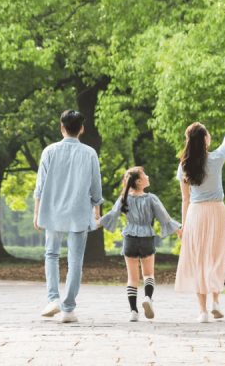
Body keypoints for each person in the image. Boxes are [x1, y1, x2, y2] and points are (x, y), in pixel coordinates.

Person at [174, 96, 225, 323]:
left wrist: (184, 226)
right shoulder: (217, 158)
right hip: (217, 212)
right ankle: (216, 302)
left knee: (199, 259)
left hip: (196, 214)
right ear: (206, 141)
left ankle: (202, 312)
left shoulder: (184, 166)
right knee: (216, 256)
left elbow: (185, 199)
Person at [33, 110, 103, 323]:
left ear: (62, 128)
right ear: (81, 129)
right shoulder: (90, 152)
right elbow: (96, 188)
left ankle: (53, 298)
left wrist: (36, 213)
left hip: (53, 211)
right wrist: (96, 210)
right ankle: (68, 309)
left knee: (51, 255)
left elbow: (40, 186)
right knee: (75, 261)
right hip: (79, 211)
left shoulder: (49, 151)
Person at [98, 167, 182, 322]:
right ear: (139, 181)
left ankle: (133, 312)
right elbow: (165, 218)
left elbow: (112, 214)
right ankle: (148, 298)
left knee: (132, 278)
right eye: (145, 175)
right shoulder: (151, 198)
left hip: (129, 238)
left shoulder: (124, 198)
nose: (148, 176)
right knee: (148, 274)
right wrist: (178, 231)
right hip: (146, 238)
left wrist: (98, 222)